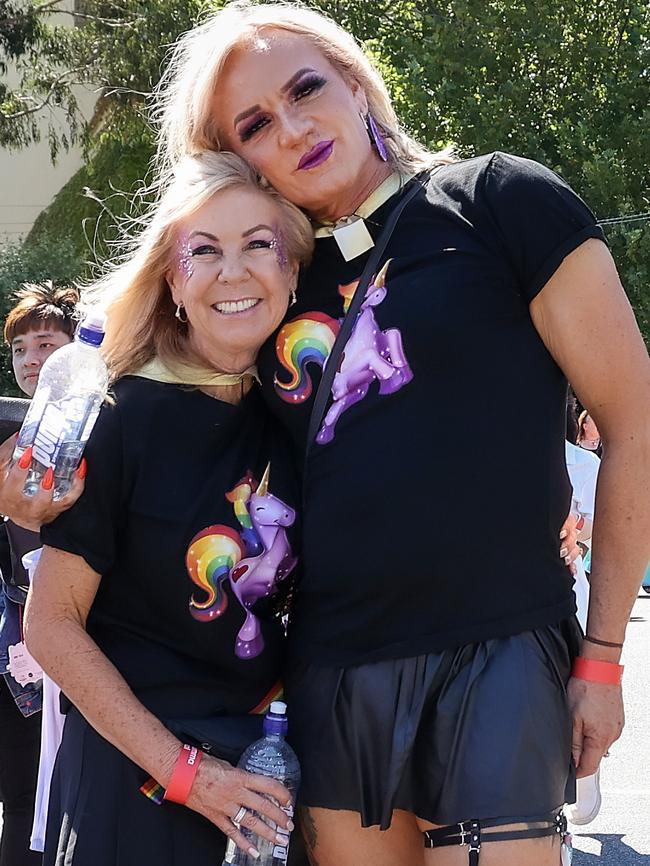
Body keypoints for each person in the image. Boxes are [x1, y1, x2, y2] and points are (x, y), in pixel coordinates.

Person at [151, 4, 650, 866]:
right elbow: (181, 430)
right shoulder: (268, 283)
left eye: (307, 87)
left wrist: (602, 655)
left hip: (498, 652)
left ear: (354, 81)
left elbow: (634, 421)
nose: (296, 126)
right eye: (257, 123)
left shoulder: (500, 200)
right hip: (333, 678)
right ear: (243, 159)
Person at [24, 151, 313, 865]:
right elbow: (51, 626)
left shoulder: (302, 415)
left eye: (258, 245)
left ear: (293, 271)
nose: (233, 271)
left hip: (264, 772)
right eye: (204, 251)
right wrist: (186, 774)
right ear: (174, 282)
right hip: (137, 777)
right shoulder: (121, 415)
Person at [0, 282, 80, 866]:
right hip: (15, 647)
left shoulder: (105, 427)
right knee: (20, 790)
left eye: (45, 343)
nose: (31, 360)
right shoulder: (9, 431)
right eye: (20, 348)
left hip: (79, 635)